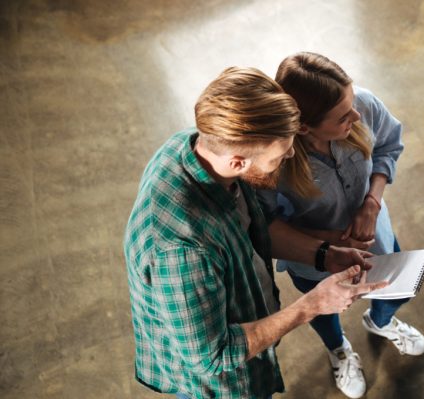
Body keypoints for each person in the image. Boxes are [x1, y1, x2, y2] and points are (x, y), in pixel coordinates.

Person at [123, 67, 386, 399]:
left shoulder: (197, 145)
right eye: (279, 156)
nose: (291, 154)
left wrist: (324, 254)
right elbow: (211, 355)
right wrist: (311, 305)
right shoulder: (182, 251)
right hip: (221, 383)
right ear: (237, 163)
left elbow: (251, 229)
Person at [259, 52, 424, 399]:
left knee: (396, 289)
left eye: (352, 102)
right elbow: (266, 223)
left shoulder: (360, 104)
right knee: (325, 309)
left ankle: (380, 322)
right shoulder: (274, 163)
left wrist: (372, 201)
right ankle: (338, 350)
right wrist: (327, 241)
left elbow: (388, 145)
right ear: (304, 128)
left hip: (375, 238)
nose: (356, 115)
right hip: (314, 262)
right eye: (342, 117)